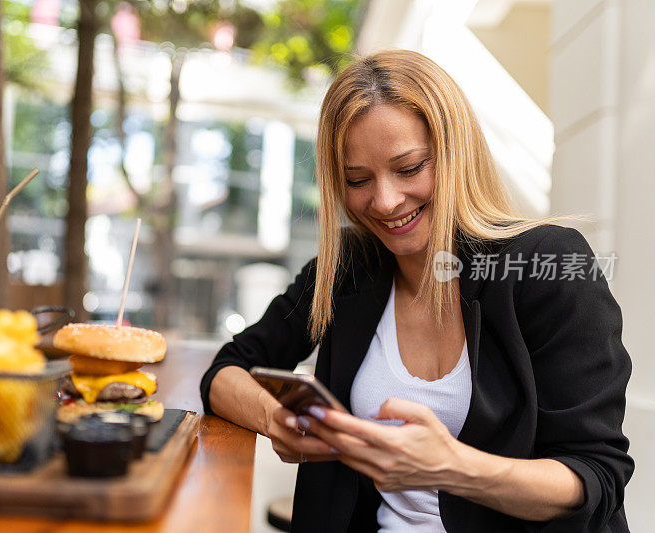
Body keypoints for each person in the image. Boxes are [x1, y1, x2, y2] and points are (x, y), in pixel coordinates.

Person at [199, 50, 633, 532]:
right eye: (357, 180)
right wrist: (276, 417)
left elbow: (596, 476)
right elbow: (224, 372)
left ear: (454, 152)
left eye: (409, 169)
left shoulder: (543, 263)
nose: (384, 201)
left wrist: (454, 467)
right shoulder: (349, 267)